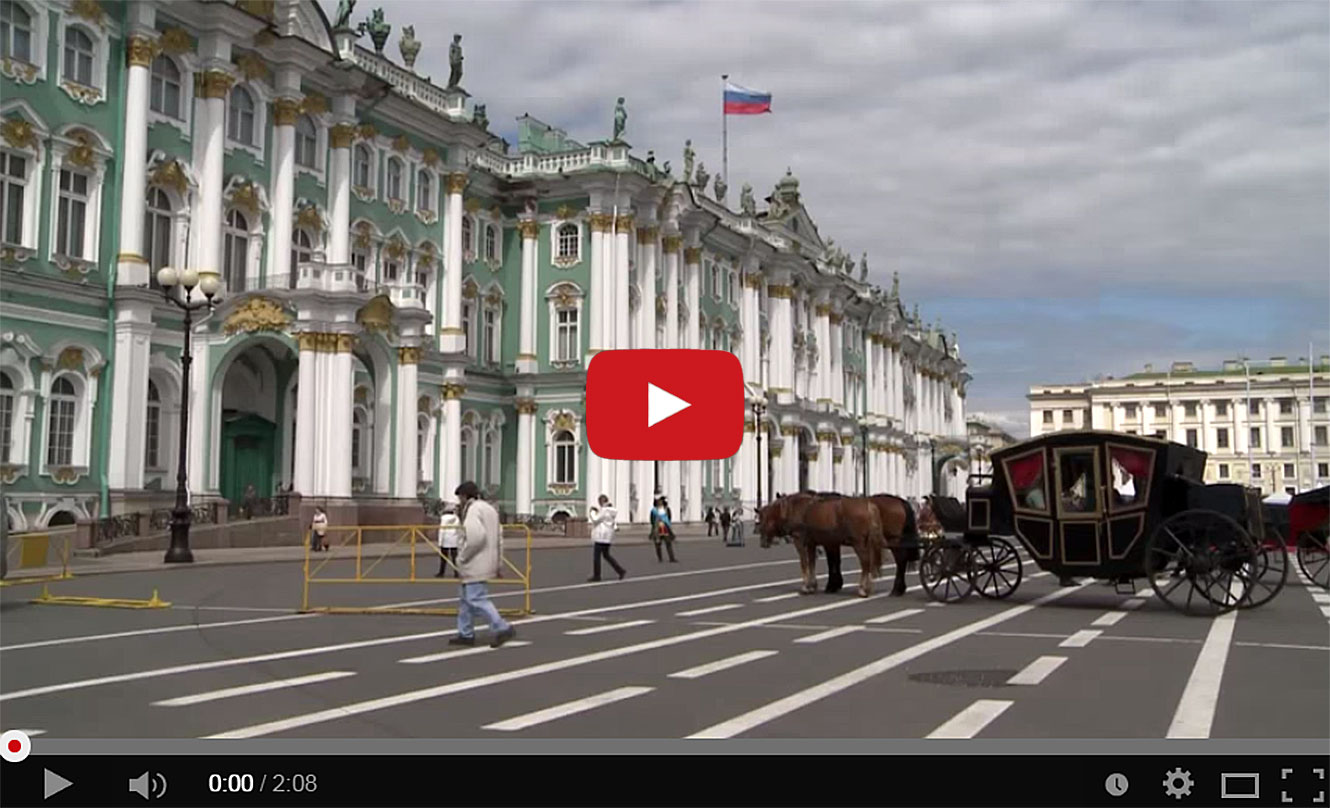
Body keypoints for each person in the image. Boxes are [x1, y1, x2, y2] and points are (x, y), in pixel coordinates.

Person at [448, 482, 516, 648]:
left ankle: (502, 627)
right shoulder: (490, 509)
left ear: (465, 496)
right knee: (465, 600)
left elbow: (476, 537)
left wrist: (462, 557)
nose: (459, 501)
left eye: (460, 497)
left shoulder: (473, 510)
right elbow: (499, 538)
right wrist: (498, 563)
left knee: (476, 598)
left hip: (475, 562)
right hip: (488, 560)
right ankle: (465, 633)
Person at [588, 494, 627, 581]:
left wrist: (592, 512)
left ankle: (597, 575)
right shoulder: (612, 511)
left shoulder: (604, 510)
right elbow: (613, 523)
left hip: (600, 536)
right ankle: (620, 570)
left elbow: (595, 519)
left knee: (596, 556)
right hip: (608, 537)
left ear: (601, 502)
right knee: (606, 555)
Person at [649, 497, 678, 563]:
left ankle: (671, 558)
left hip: (665, 528)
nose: (660, 503)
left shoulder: (666, 509)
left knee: (668, 543)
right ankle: (660, 558)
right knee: (658, 544)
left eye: (661, 502)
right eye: (659, 502)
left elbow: (669, 518)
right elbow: (652, 520)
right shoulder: (654, 510)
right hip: (657, 529)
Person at [436, 509, 462, 578]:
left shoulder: (443, 518)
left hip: (445, 540)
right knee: (454, 557)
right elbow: (459, 529)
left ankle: (441, 572)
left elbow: (442, 530)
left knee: (443, 557)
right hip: (454, 539)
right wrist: (460, 540)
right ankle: (456, 572)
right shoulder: (456, 518)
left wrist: (440, 542)